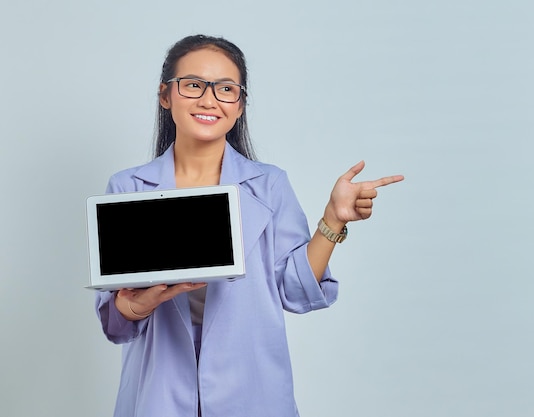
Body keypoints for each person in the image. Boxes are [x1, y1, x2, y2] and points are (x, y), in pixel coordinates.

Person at [95, 34, 404, 417]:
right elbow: (115, 323)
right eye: (193, 85)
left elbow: (295, 290)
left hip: (253, 392)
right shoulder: (128, 188)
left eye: (226, 89)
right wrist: (138, 304)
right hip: (159, 393)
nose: (209, 100)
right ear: (165, 95)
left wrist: (332, 219)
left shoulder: (269, 185)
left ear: (240, 105)